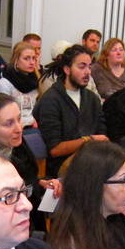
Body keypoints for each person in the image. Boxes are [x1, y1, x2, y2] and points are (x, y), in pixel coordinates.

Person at [0, 93, 61, 231]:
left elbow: (28, 181)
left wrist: (41, 184)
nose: (19, 129)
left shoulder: (17, 146)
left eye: (19, 119)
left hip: (32, 218)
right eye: (9, 123)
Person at [33, 45, 107, 177]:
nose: (87, 72)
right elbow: (55, 149)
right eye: (82, 67)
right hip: (61, 169)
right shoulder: (51, 100)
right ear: (67, 69)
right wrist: (88, 140)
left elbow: (102, 134)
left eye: (89, 67)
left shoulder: (92, 99)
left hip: (90, 162)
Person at [0, 41, 39, 127]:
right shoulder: (4, 83)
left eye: (33, 58)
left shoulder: (36, 80)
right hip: (13, 127)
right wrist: (29, 122)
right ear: (16, 60)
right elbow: (4, 114)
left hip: (33, 125)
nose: (32, 62)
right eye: (26, 58)